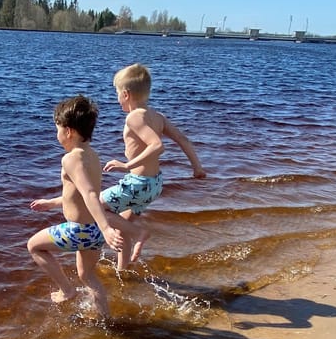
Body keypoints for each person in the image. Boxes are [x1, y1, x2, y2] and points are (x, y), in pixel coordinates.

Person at [27, 95, 131, 319]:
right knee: (87, 276)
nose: (56, 133)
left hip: (80, 230)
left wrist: (107, 228)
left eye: (57, 128)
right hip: (93, 231)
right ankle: (106, 319)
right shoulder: (92, 155)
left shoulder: (70, 159)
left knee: (34, 246)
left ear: (68, 131)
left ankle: (67, 290)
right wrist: (52, 203)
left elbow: (89, 194)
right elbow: (79, 195)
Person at [101, 63, 206, 269]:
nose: (117, 98)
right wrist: (197, 167)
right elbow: (183, 139)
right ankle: (123, 270)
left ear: (126, 94)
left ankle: (140, 233)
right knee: (123, 226)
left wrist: (126, 165)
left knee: (92, 206)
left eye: (117, 93)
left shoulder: (134, 117)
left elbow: (157, 146)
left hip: (138, 183)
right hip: (154, 184)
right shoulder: (158, 117)